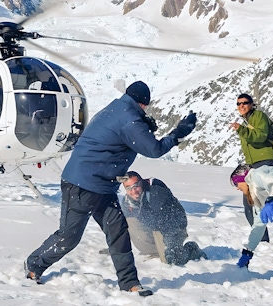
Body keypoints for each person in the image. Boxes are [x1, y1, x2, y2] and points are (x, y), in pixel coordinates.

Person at [25, 81, 197, 297]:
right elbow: (154, 149)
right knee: (69, 236)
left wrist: (142, 125)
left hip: (103, 187)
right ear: (142, 104)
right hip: (82, 184)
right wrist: (178, 134)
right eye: (145, 107)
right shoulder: (129, 119)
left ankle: (129, 283)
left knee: (118, 232)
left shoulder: (118, 109)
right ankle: (34, 265)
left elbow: (123, 135)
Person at [119, 171, 205, 265]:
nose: (134, 191)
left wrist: (169, 245)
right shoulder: (127, 202)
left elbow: (169, 219)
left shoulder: (155, 192)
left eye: (136, 186)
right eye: (129, 188)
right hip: (151, 232)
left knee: (173, 260)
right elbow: (126, 227)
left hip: (173, 229)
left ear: (141, 182)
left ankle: (191, 249)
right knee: (129, 221)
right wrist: (119, 247)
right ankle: (155, 251)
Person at [228, 93, 273, 242]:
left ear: (251, 104)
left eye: (245, 102)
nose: (241, 106)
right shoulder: (247, 120)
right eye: (238, 103)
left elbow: (260, 136)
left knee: (261, 200)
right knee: (251, 201)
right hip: (255, 165)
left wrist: (242, 130)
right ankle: (263, 239)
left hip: (264, 162)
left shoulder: (259, 116)